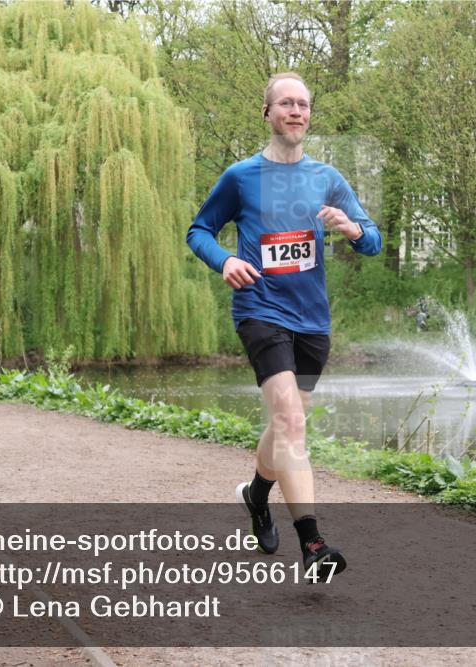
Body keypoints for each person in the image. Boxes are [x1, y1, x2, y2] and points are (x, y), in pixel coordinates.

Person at [186, 72, 382, 581]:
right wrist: (224, 260)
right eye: (286, 104)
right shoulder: (240, 177)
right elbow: (199, 230)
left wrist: (353, 228)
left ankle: (256, 494)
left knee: (284, 425)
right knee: (292, 424)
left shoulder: (327, 178)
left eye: (304, 104)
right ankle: (313, 546)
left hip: (312, 320)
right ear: (267, 113)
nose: (297, 111)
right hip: (259, 311)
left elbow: (374, 241)